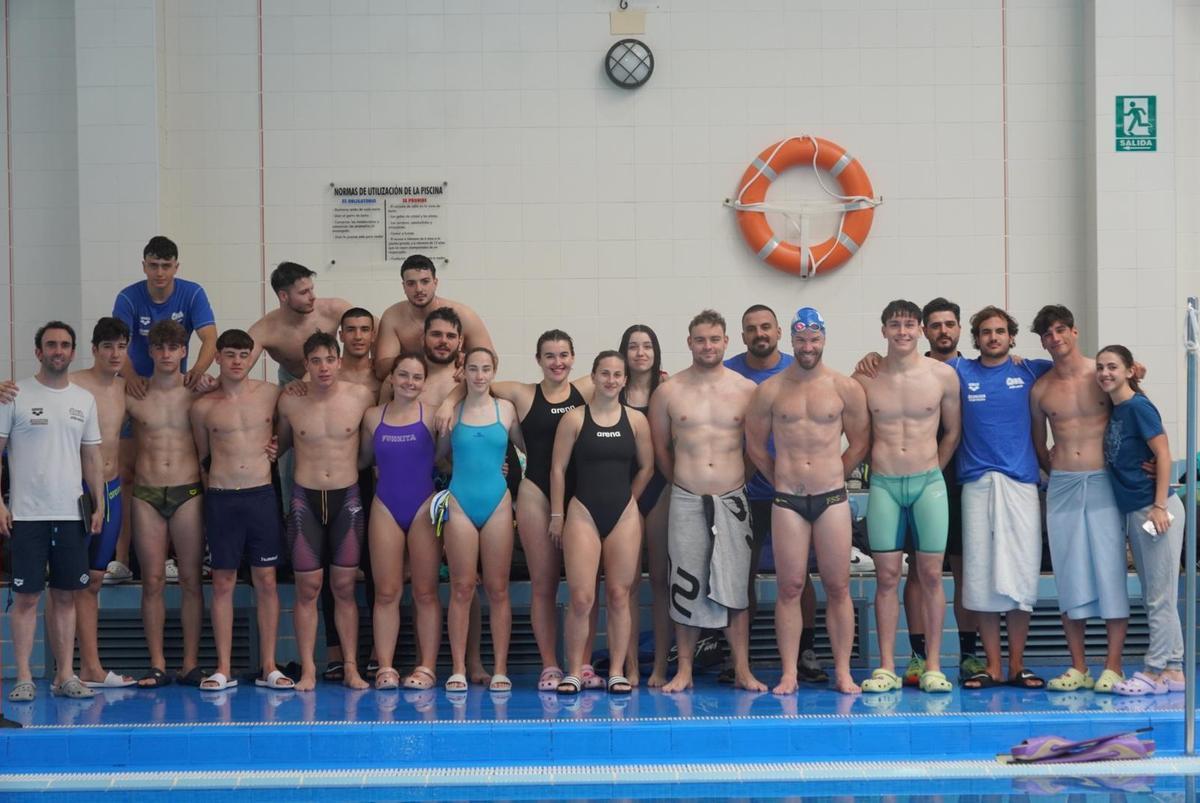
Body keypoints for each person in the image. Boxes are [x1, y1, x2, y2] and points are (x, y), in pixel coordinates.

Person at [438, 330, 590, 691]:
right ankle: (550, 665)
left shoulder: (588, 388)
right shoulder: (520, 394)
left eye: (564, 355)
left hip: (578, 495)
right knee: (542, 584)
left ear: (573, 357)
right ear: (537, 359)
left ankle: (581, 665)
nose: (557, 362)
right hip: (535, 492)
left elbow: (621, 378)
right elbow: (476, 383)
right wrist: (447, 400)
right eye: (549, 355)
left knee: (585, 589)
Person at [746, 308, 870, 695]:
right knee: (790, 586)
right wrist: (782, 478)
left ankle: (844, 672)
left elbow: (861, 441)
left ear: (824, 340)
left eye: (814, 339)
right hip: (786, 501)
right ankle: (788, 673)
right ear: (791, 341)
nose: (807, 347)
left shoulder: (844, 387)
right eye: (801, 340)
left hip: (832, 498)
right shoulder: (770, 389)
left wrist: (833, 472)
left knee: (838, 587)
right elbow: (754, 445)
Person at [648, 309, 765, 693]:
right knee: (685, 584)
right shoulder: (669, 391)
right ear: (689, 343)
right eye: (700, 339)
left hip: (732, 497)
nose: (708, 346)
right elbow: (660, 450)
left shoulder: (747, 389)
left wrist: (735, 482)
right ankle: (683, 669)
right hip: (685, 496)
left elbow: (756, 449)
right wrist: (684, 482)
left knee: (734, 586)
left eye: (714, 339)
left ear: (726, 341)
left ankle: (742, 668)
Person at [853, 300, 960, 694]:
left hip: (928, 483)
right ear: (883, 330)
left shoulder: (943, 376)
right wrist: (871, 466)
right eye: (894, 324)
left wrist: (933, 468)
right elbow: (856, 432)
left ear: (920, 331)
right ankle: (885, 666)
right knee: (886, 577)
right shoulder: (865, 378)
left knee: (932, 574)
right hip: (883, 484)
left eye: (910, 325)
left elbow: (952, 432)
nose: (902, 331)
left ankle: (933, 665)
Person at [0, 321, 106, 702]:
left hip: (70, 514)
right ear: (39, 351)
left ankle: (66, 675)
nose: (58, 350)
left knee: (66, 596)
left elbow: (92, 456)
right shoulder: (14, 395)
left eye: (64, 344)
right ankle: (25, 677)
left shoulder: (83, 399)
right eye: (51, 344)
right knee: (27, 598)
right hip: (27, 515)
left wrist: (99, 504)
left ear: (72, 351)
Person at [107, 236, 217, 585]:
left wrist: (197, 371)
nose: (159, 272)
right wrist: (131, 377)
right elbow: (117, 343)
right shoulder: (128, 296)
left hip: (176, 390)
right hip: (138, 389)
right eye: (153, 265)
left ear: (175, 268)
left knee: (190, 468)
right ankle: (121, 559)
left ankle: (181, 555)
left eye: (166, 266)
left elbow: (210, 338)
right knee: (128, 474)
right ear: (144, 266)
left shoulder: (192, 293)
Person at [725, 304, 826, 685]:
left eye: (766, 327)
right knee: (740, 577)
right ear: (743, 334)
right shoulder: (731, 372)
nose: (759, 333)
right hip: (746, 492)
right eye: (751, 328)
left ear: (780, 332)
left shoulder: (798, 367)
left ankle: (807, 652)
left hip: (796, 494)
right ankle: (740, 659)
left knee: (800, 577)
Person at [1030, 304, 1128, 693]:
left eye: (1060, 330)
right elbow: (1039, 444)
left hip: (1104, 481)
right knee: (1069, 575)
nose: (1055, 339)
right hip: (1064, 486)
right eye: (1047, 334)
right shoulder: (1041, 388)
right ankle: (1078, 666)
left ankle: (1114, 665)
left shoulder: (1101, 374)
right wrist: (1054, 473)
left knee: (1110, 571)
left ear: (1074, 331)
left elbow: (1137, 414)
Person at [952, 306, 1050, 689]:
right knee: (982, 579)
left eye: (1000, 331)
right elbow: (914, 368)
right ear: (976, 339)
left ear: (1011, 337)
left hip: (1022, 485)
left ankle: (1016, 665)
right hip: (976, 486)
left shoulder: (1030, 370)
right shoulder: (960, 372)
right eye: (986, 332)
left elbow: (1079, 366)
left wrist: (1132, 365)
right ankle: (992, 666)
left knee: (1022, 577)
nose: (993, 337)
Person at [189, 329, 292, 691]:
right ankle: (222, 667)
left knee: (266, 581)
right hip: (222, 498)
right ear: (217, 358)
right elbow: (204, 459)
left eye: (243, 354)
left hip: (261, 496)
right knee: (222, 582)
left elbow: (288, 427)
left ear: (252, 358)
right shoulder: (203, 406)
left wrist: (279, 445)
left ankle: (269, 666)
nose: (236, 361)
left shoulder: (270, 394)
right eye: (229, 354)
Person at [276, 331, 376, 691]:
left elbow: (372, 446)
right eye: (315, 361)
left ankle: (350, 667)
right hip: (305, 499)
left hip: (346, 499)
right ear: (305, 365)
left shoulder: (361, 396)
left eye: (329, 359)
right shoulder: (290, 400)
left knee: (345, 587)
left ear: (339, 360)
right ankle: (307, 670)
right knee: (308, 587)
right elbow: (280, 445)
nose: (323, 367)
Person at [549, 350, 654, 695]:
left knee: (620, 595)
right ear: (593, 377)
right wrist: (557, 515)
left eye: (617, 374)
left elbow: (647, 467)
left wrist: (630, 502)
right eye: (604, 373)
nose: (610, 380)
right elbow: (558, 470)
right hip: (582, 513)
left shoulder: (636, 420)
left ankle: (616, 670)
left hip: (623, 514)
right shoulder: (575, 419)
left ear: (625, 380)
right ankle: (575, 670)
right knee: (581, 597)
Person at [896, 298, 981, 685]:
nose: (943, 330)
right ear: (924, 331)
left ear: (960, 328)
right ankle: (917, 657)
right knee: (919, 570)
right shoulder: (911, 368)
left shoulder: (979, 368)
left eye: (950, 324)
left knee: (964, 568)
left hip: (965, 481)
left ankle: (969, 655)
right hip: (920, 479)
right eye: (935, 325)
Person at [1097, 345, 1187, 696]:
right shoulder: (1118, 407)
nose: (1105, 373)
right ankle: (1175, 671)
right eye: (1101, 367)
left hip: (1154, 511)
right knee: (1158, 592)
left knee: (1158, 597)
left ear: (1129, 370)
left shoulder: (1138, 407)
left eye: (1113, 367)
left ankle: (1153, 670)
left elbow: (1164, 453)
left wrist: (1160, 505)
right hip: (1138, 509)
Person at [52, 318, 137, 689]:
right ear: (94, 349)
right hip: (75, 493)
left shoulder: (126, 390)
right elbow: (32, 395)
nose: (115, 354)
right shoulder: (73, 384)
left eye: (121, 346)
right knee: (64, 583)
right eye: (107, 347)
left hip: (111, 490)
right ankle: (61, 671)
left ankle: (90, 667)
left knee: (95, 580)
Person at [436, 347, 526, 693]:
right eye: (472, 369)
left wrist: (516, 484)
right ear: (464, 372)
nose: (479, 375)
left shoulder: (506, 410)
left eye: (485, 369)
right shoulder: (451, 412)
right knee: (461, 588)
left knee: (498, 589)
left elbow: (528, 452)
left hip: (498, 504)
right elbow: (438, 458)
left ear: (494, 371)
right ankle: (458, 668)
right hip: (460, 501)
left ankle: (500, 668)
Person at [125, 320, 206, 688]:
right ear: (151, 352)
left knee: (191, 580)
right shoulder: (133, 394)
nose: (167, 354)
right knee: (152, 581)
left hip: (188, 491)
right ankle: (157, 664)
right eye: (160, 348)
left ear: (184, 351)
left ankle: (190, 663)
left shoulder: (198, 392)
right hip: (146, 493)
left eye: (174, 348)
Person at [359, 352, 438, 691]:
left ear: (424, 382)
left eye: (417, 377)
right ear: (391, 377)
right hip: (385, 506)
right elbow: (362, 460)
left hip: (423, 506)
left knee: (425, 592)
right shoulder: (373, 417)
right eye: (403, 375)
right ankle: (386, 666)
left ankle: (427, 666)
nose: (409, 382)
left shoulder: (434, 417)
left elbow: (450, 459)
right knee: (387, 592)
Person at [617, 324, 671, 686]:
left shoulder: (668, 390)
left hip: (662, 490)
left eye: (647, 346)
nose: (640, 353)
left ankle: (663, 666)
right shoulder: (607, 389)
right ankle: (631, 664)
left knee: (663, 583)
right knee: (628, 583)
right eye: (633, 346)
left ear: (655, 353)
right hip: (624, 495)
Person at [373, 254, 494, 381]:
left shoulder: (463, 315)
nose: (419, 289)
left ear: (435, 283)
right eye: (411, 283)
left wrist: (471, 362)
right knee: (388, 385)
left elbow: (492, 359)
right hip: (411, 386)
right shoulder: (393, 317)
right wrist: (428, 358)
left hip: (454, 383)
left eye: (425, 282)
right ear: (404, 286)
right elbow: (381, 370)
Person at [247, 262, 353, 381]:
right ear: (283, 296)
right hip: (292, 383)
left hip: (330, 377)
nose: (313, 297)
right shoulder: (264, 330)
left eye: (311, 289)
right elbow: (238, 365)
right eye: (304, 292)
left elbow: (374, 327)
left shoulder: (333, 309)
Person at [338, 307, 382, 396]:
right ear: (341, 336)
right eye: (350, 330)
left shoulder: (381, 373)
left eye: (365, 330)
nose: (358, 337)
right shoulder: (326, 370)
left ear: (373, 336)